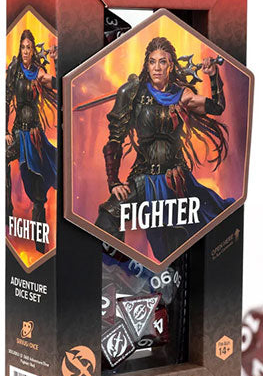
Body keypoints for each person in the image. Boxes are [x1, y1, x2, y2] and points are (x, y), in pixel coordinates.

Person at [95, 36, 233, 260]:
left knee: (175, 244)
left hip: (176, 179)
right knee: (107, 218)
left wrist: (213, 76)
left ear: (171, 65)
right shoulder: (132, 93)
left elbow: (217, 107)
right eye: (152, 62)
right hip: (143, 178)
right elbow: (115, 140)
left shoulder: (182, 96)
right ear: (146, 65)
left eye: (162, 62)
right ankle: (117, 269)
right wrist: (113, 181)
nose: (157, 67)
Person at [5, 29, 57, 253]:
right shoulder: (14, 70)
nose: (26, 51)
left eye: (29, 48)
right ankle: (6, 213)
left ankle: (40, 247)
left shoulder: (39, 73)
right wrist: (3, 130)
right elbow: (5, 99)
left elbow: (59, 85)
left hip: (35, 136)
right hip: (18, 133)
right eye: (23, 47)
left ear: (33, 50)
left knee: (38, 191)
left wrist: (56, 62)